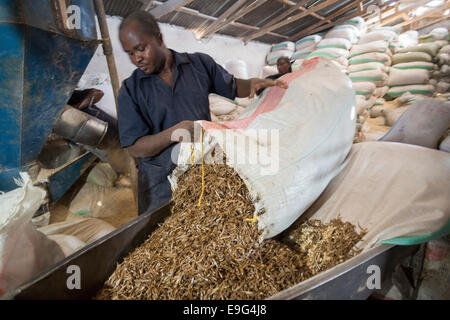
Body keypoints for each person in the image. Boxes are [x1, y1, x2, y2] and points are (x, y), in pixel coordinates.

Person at [117, 11, 288, 215]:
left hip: (202, 173)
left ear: (158, 37)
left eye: (140, 49)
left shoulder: (199, 65)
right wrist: (176, 132)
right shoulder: (131, 89)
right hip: (160, 185)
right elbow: (135, 148)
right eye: (130, 53)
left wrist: (254, 83)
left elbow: (233, 87)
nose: (137, 59)